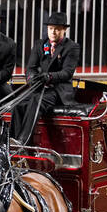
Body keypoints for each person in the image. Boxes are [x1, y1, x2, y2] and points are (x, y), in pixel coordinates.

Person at [16, 11, 80, 146]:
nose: (53, 32)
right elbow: (30, 68)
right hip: (39, 87)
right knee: (18, 103)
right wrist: (31, 78)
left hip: (58, 90)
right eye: (51, 28)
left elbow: (67, 73)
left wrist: (49, 77)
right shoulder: (40, 44)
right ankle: (13, 141)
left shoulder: (72, 47)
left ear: (64, 30)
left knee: (36, 100)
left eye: (57, 29)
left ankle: (23, 141)